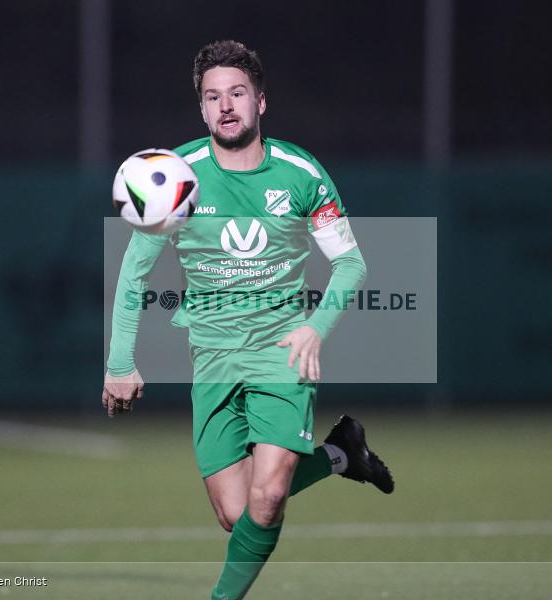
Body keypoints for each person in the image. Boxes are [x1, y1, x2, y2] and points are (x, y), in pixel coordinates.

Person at [101, 40, 394, 600]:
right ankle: (340, 453)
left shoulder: (301, 174)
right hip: (212, 358)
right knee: (238, 515)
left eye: (237, 93)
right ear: (202, 109)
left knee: (266, 499)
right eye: (213, 97)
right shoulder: (174, 176)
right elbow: (134, 274)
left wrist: (315, 328)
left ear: (261, 101)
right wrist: (120, 361)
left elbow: (351, 263)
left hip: (283, 353)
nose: (225, 105)